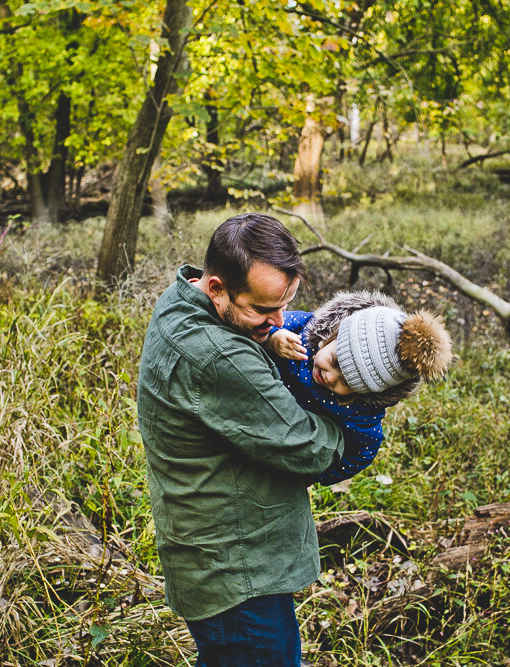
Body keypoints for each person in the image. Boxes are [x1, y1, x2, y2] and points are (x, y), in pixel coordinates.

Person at [136, 212, 346, 667]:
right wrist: (356, 411)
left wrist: (266, 336)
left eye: (284, 303)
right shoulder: (218, 356)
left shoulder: (180, 299)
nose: (279, 320)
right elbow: (313, 449)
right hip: (237, 574)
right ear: (216, 287)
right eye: (262, 309)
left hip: (215, 561)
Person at [266, 291, 453, 485]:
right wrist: (273, 338)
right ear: (333, 335)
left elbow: (363, 452)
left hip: (284, 448)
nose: (330, 377)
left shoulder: (361, 414)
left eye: (347, 383)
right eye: (335, 362)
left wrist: (314, 475)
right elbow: (261, 324)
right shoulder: (303, 329)